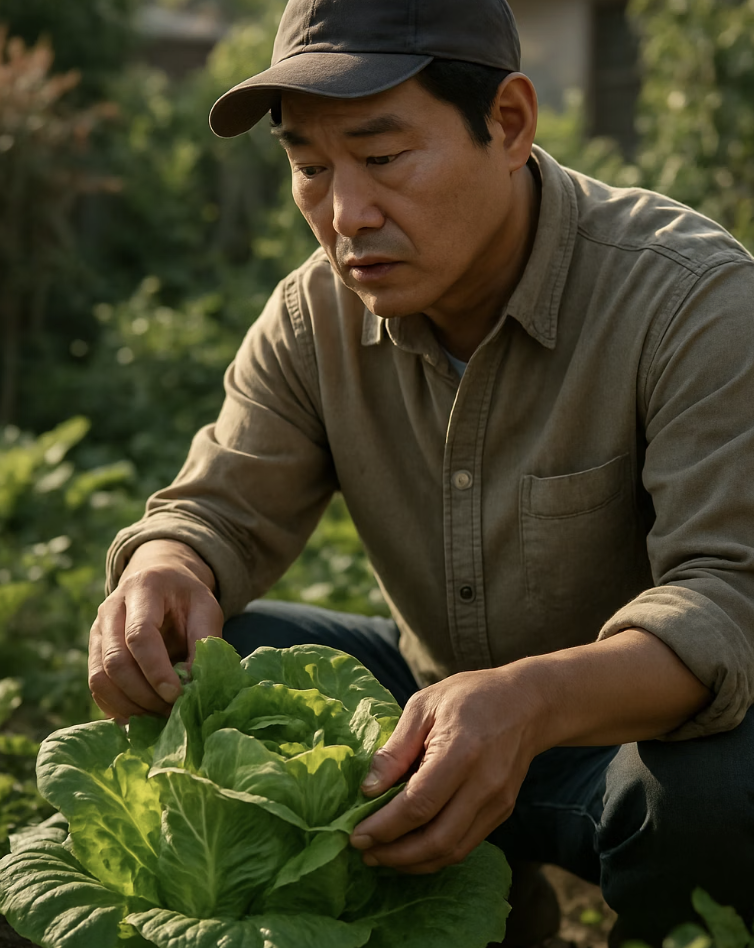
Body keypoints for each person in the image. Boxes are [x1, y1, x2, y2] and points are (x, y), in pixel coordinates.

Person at [89, 0, 754, 943]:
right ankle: (488, 910)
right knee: (203, 660)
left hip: (624, 744)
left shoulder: (689, 299)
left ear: (509, 123)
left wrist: (529, 701)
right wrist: (166, 566)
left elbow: (728, 599)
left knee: (727, 791)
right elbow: (216, 511)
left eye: (384, 155)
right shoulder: (314, 318)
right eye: (310, 167)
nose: (345, 215)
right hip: (421, 718)